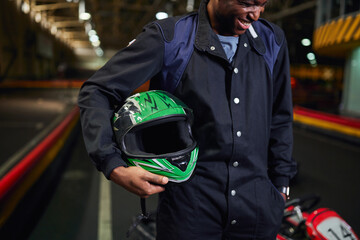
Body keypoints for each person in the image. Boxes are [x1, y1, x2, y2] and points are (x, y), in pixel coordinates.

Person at [78, 0, 297, 239]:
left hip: (257, 210)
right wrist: (114, 165)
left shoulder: (272, 40)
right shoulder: (171, 38)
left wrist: (281, 186)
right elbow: (98, 90)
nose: (256, 15)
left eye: (263, 4)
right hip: (190, 211)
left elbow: (280, 117)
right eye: (247, 3)